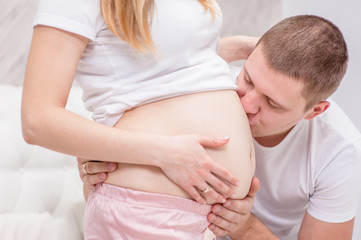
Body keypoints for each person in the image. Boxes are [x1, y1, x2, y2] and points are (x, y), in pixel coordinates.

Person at [83, 15, 361, 240]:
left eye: (272, 104)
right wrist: (95, 162)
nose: (247, 103)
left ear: (315, 111)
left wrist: (244, 228)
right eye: (248, 79)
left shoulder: (339, 150)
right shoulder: (213, 87)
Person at [21, 0, 257, 239]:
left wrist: (236, 47)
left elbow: (162, 61)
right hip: (148, 211)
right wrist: (166, 153)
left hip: (210, 217)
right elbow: (37, 120)